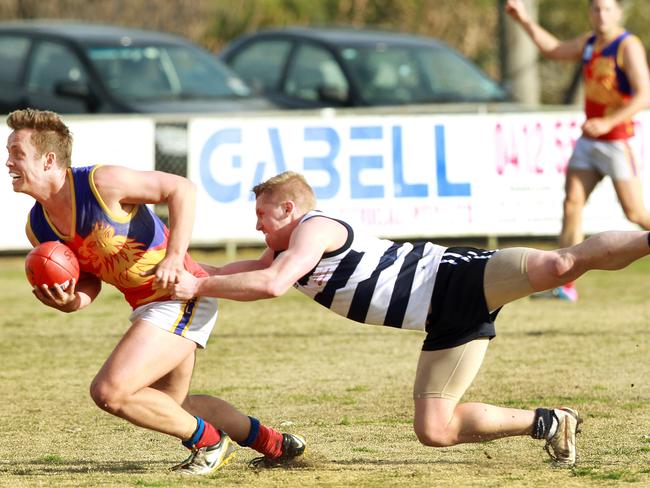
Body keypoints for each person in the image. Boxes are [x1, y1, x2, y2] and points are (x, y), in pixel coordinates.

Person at [171, 170, 650, 467]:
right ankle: (550, 423)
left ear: (289, 208)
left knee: (559, 265)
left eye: (262, 216)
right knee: (435, 430)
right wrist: (182, 269)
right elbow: (240, 274)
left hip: (455, 279)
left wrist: (200, 284)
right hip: (444, 322)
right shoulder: (283, 249)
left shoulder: (314, 230)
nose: (257, 226)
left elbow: (272, 285)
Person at [5, 109, 305, 475]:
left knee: (110, 392)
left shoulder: (102, 182)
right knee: (172, 405)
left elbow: (181, 189)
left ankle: (209, 442)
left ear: (48, 159)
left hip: (181, 294)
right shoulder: (37, 227)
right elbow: (89, 282)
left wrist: (175, 257)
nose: (8, 163)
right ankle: (274, 443)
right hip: (149, 306)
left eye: (17, 153)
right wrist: (70, 302)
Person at [505, 0, 650, 301]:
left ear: (619, 12)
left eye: (607, 9)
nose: (601, 14)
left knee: (635, 213)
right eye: (596, 9)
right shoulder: (589, 42)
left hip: (616, 140)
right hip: (589, 141)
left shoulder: (628, 45)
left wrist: (608, 121)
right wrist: (523, 19)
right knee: (572, 204)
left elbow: (644, 95)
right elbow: (553, 50)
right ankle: (563, 282)